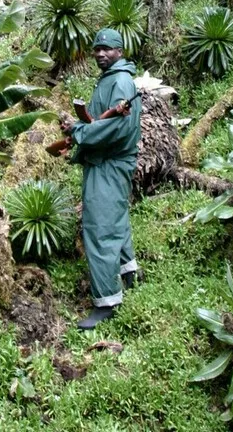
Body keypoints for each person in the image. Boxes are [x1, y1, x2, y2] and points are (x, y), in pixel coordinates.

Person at [63, 28, 143, 330]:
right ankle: (127, 272)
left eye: (107, 49)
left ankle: (107, 301)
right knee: (116, 218)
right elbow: (104, 119)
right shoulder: (112, 78)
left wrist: (81, 132)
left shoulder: (121, 81)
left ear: (120, 52)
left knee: (99, 229)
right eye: (97, 48)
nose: (100, 54)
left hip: (109, 164)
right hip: (108, 164)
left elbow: (119, 130)